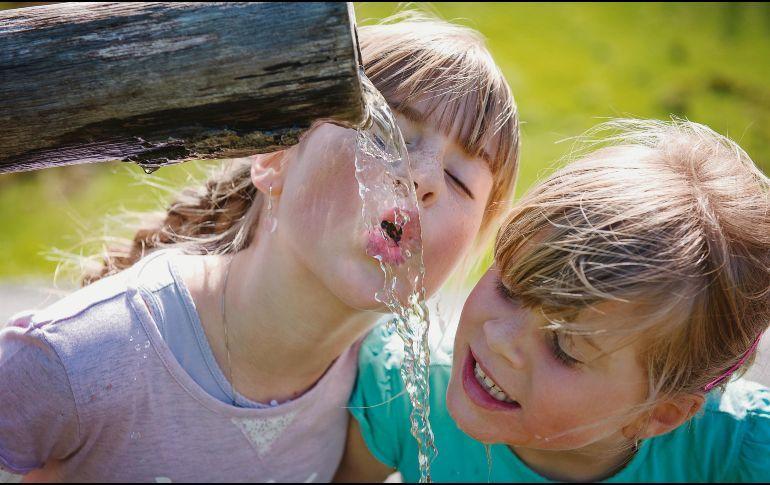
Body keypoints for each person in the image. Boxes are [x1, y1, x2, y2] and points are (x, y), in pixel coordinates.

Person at [0, 15, 519, 482]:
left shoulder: (384, 393)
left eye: (459, 180)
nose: (423, 178)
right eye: (387, 137)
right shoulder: (83, 355)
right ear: (275, 158)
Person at [339, 119, 770, 483]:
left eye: (564, 348)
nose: (501, 338)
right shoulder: (404, 393)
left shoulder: (737, 456)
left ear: (660, 414)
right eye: (510, 289)